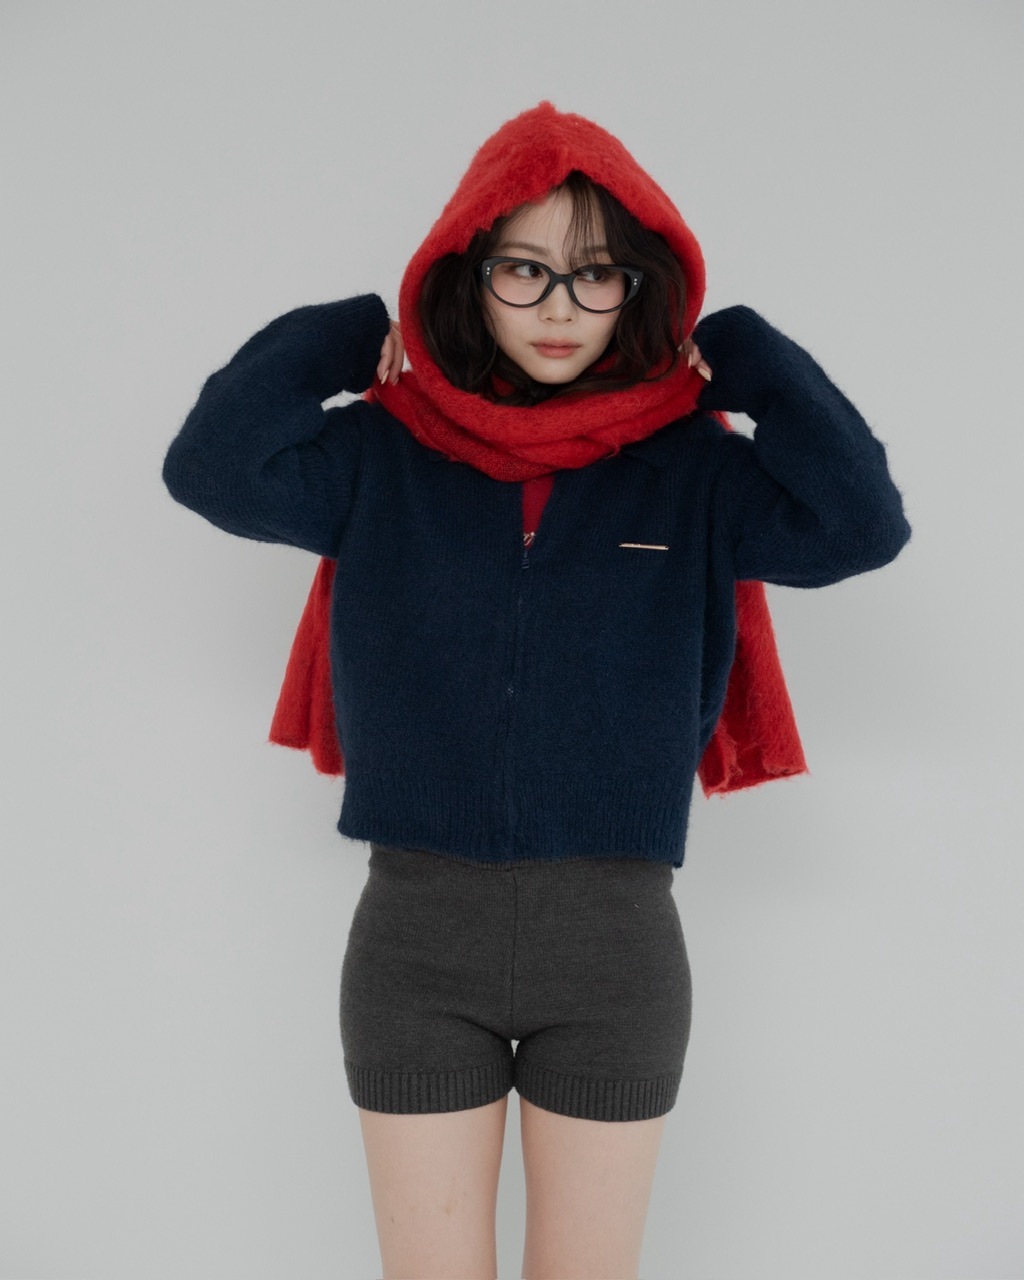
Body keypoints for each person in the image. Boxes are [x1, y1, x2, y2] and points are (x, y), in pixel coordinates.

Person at [162, 102, 911, 1280]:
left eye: (596, 273)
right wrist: (352, 334)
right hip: (413, 945)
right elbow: (210, 465)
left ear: (638, 288)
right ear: (467, 276)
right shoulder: (378, 455)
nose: (559, 306)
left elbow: (859, 526)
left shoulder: (694, 469)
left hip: (615, 952)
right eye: (524, 269)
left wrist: (748, 351)